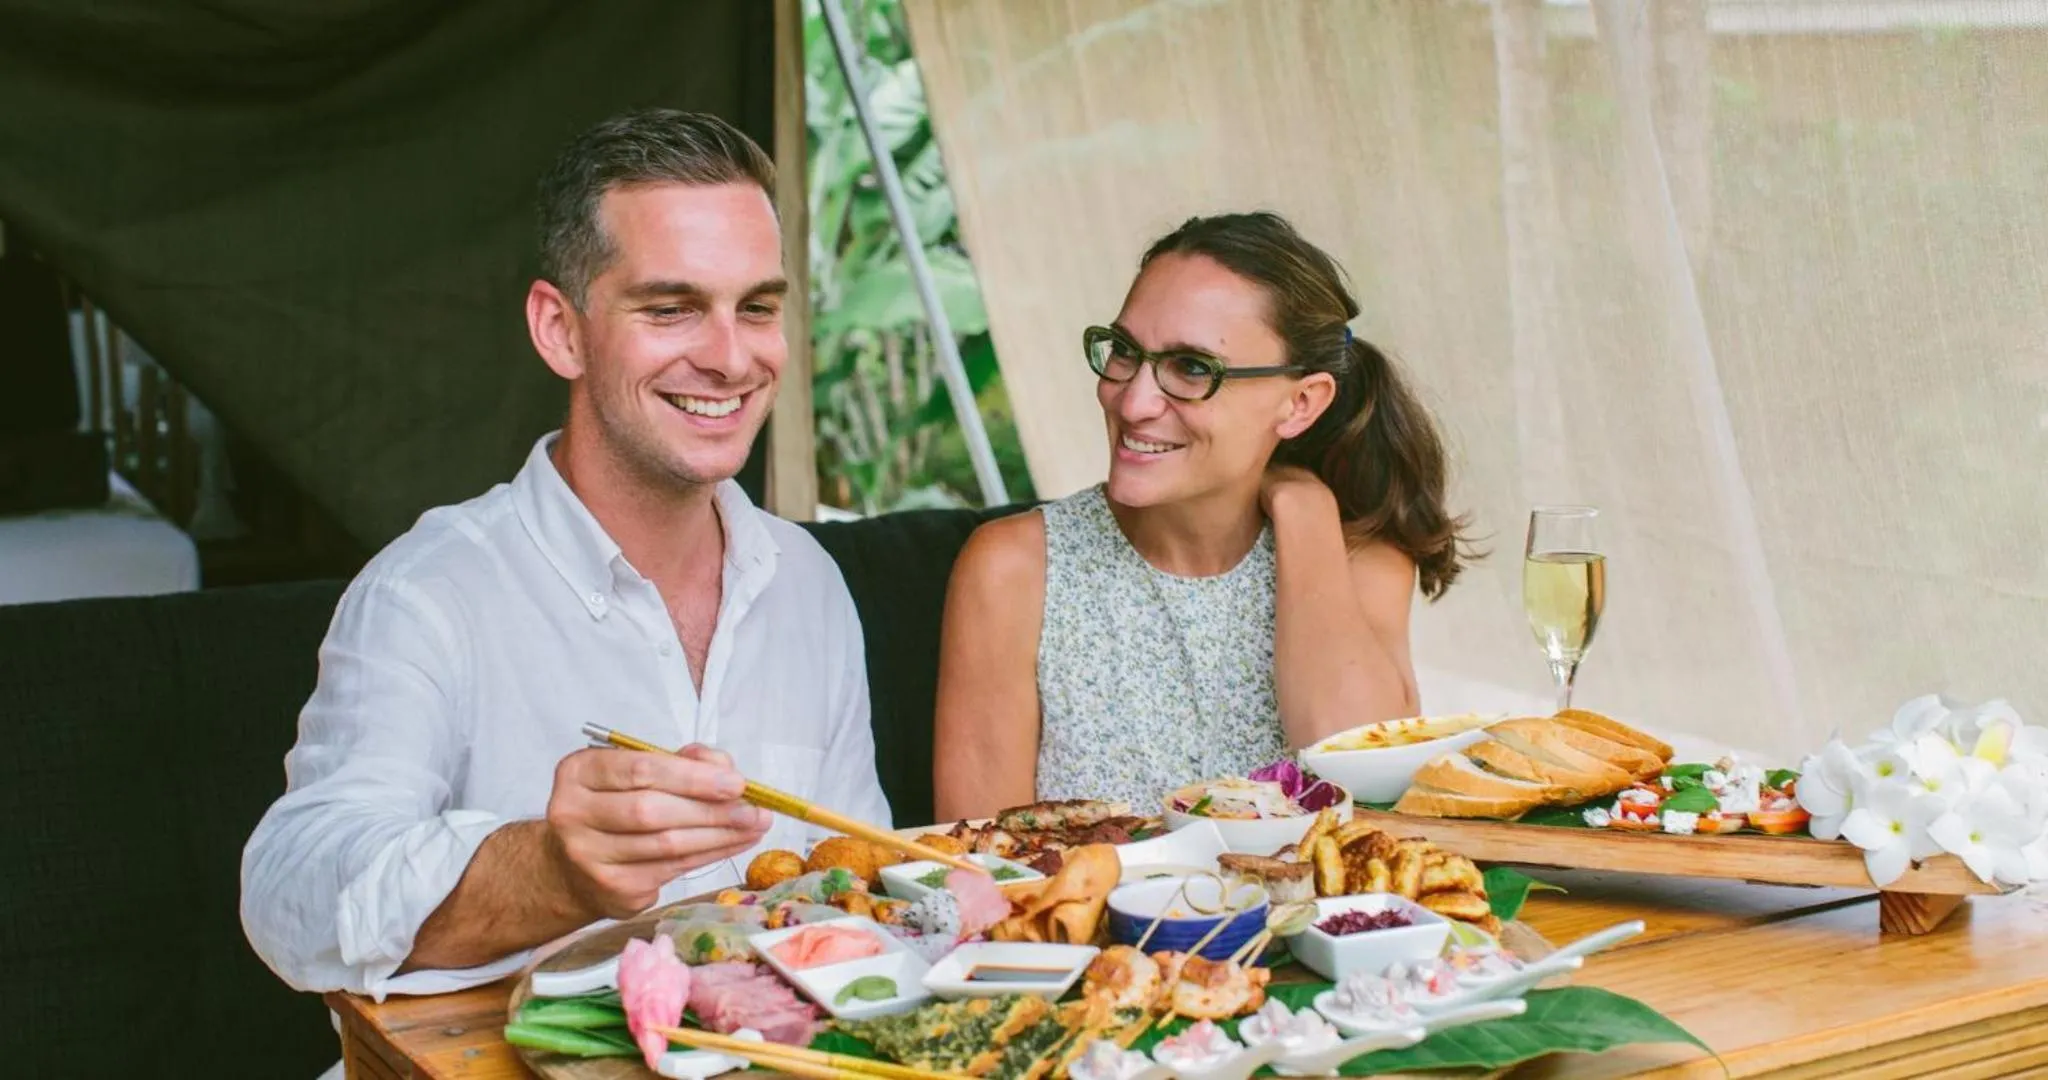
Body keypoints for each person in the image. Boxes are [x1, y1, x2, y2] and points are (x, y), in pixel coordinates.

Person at [241, 109, 890, 999]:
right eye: (671, 309)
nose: (731, 357)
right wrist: (549, 868)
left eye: (759, 308)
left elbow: (849, 885)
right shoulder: (427, 591)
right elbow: (289, 898)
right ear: (561, 330)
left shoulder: (808, 581)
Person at [932, 212, 1474, 821]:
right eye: (1126, 352)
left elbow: (1361, 780)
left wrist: (1306, 510)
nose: (1133, 401)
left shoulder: (1355, 558)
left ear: (1301, 403)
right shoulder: (1012, 568)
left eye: (1192, 368)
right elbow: (980, 860)